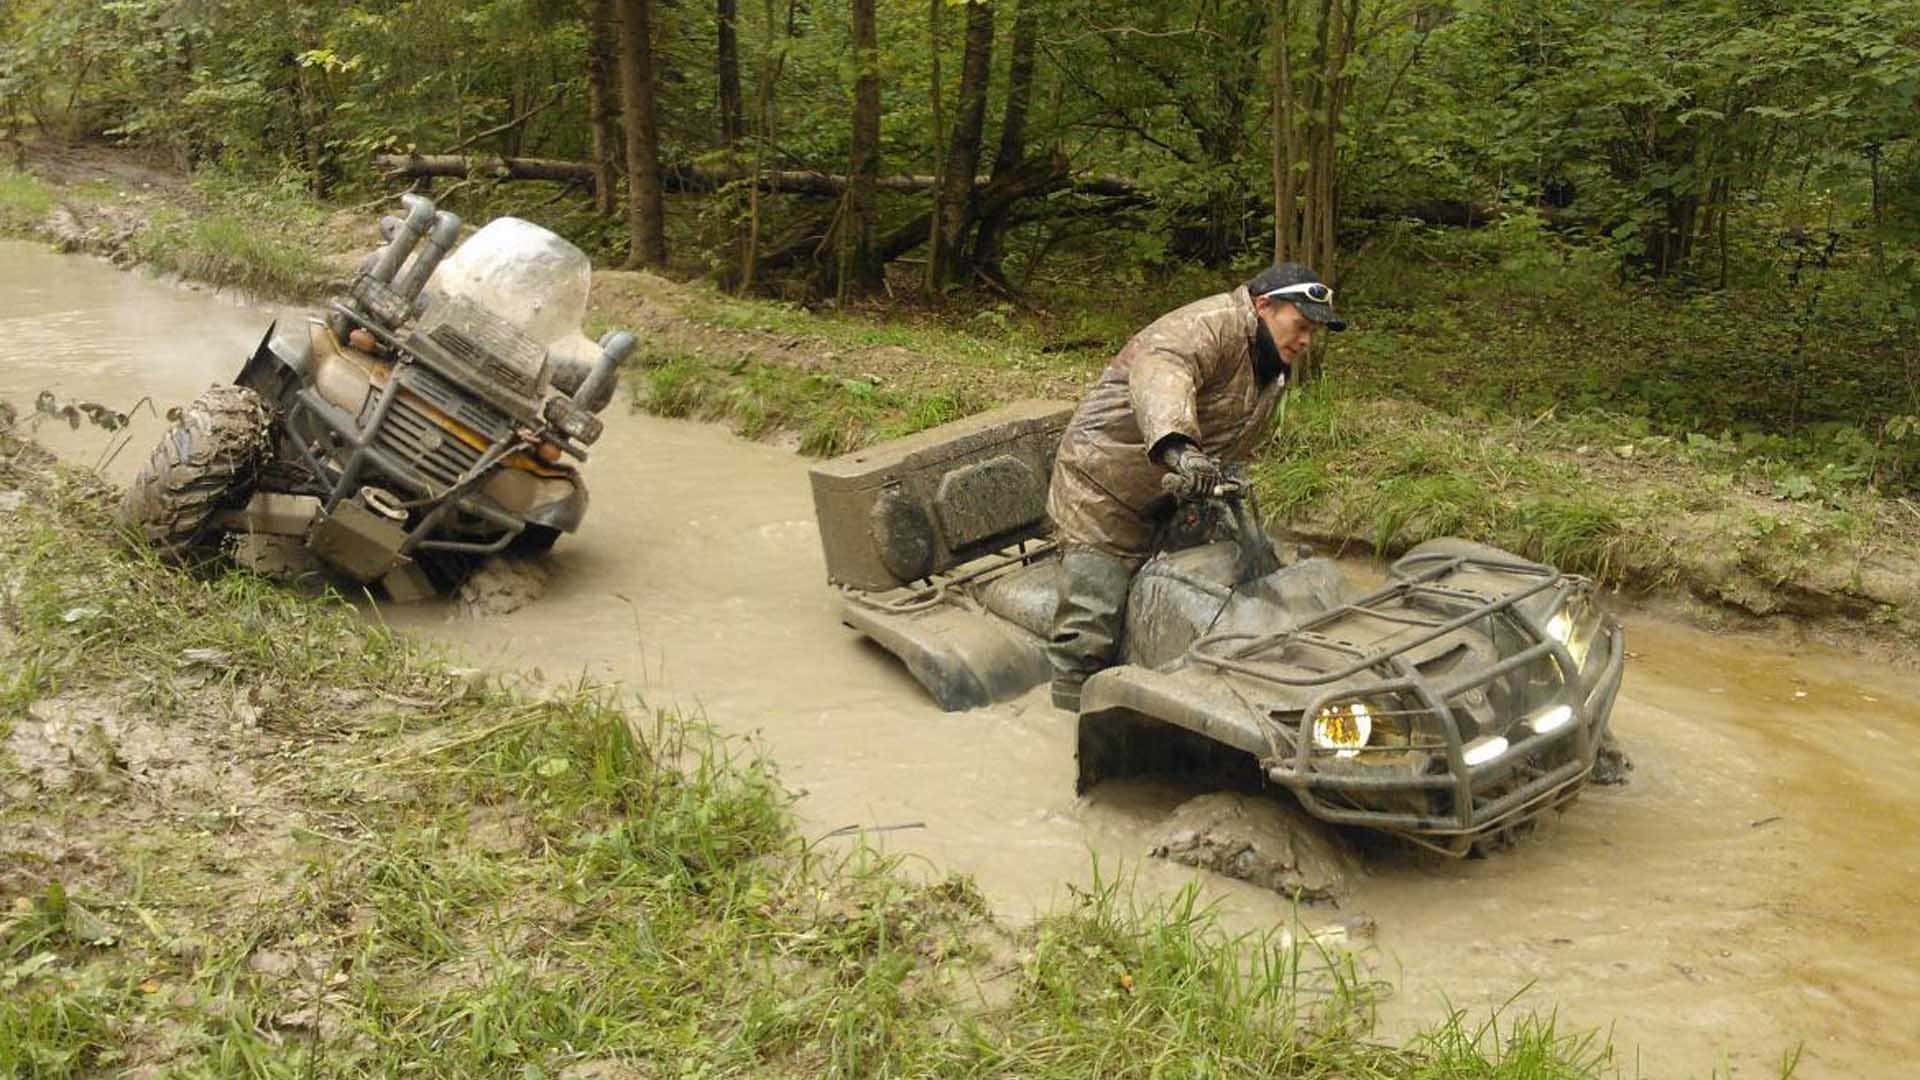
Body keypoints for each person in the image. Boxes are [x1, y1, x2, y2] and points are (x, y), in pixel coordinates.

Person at [1045, 262, 1344, 710]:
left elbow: (1233, 431)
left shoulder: (1269, 361)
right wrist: (1178, 447)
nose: (1306, 341)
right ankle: (1072, 707)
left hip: (1179, 489)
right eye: (1301, 325)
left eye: (1313, 332)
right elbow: (1162, 372)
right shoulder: (1208, 326)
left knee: (1251, 573)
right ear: (1264, 306)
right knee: (1091, 621)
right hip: (1104, 484)